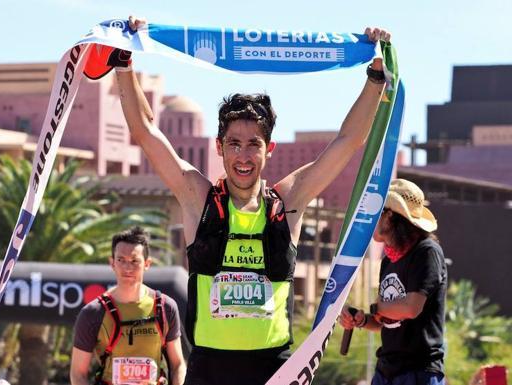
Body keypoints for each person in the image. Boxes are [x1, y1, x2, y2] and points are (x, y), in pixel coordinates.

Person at [112, 16, 391, 385]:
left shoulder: (288, 201)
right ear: (219, 148)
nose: (243, 156)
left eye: (253, 144)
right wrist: (124, 60)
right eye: (234, 144)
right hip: (209, 369)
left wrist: (375, 77)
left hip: (273, 369)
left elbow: (347, 142)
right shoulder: (199, 199)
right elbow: (146, 133)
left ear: (269, 149)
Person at [340, 179, 447, 385]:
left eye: (375, 213)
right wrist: (361, 320)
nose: (370, 220)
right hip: (386, 371)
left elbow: (410, 308)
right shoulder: (389, 259)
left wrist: (375, 307)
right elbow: (384, 321)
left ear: (389, 217)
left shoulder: (426, 251)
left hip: (419, 373)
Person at [70, 226, 186, 385]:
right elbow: (78, 374)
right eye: (121, 260)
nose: (127, 268)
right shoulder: (92, 313)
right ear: (112, 263)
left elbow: (178, 364)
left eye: (134, 261)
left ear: (147, 263)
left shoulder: (165, 307)